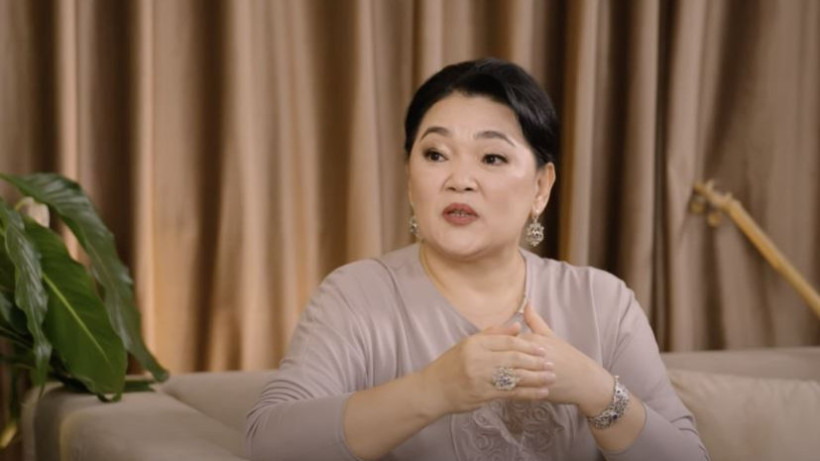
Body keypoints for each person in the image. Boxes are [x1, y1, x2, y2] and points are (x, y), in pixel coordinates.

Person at [246, 58, 708, 461]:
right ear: (409, 179)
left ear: (541, 188)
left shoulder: (601, 301)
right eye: (435, 154)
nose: (459, 180)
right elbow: (268, 443)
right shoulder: (356, 296)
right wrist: (433, 390)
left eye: (491, 158)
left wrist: (595, 389)